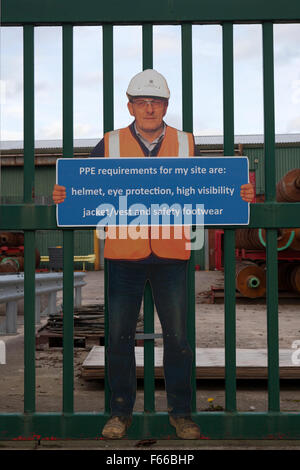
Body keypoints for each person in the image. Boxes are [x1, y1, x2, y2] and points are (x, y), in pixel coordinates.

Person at [53, 69, 254, 440]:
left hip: (172, 255)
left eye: (156, 102)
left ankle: (181, 414)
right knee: (119, 338)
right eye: (142, 102)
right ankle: (120, 413)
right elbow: (83, 186)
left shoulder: (185, 142)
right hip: (123, 253)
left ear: (166, 105)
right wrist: (65, 195)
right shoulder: (110, 143)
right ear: (130, 106)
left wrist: (236, 194)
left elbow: (212, 186)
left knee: (177, 338)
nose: (149, 109)